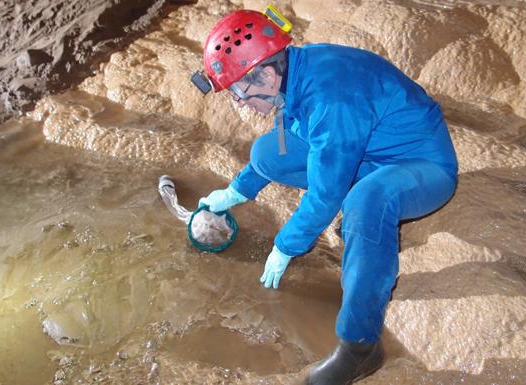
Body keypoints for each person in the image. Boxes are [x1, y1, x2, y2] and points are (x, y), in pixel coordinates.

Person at [193, 9, 458, 385]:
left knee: (365, 203)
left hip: (421, 165)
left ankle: (360, 347)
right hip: (366, 149)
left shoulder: (331, 98)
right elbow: (296, 147)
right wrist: (238, 191)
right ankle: (362, 198)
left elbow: (324, 193)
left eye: (238, 91)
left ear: (267, 74)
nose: (239, 102)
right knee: (267, 153)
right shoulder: (294, 72)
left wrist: (285, 246)